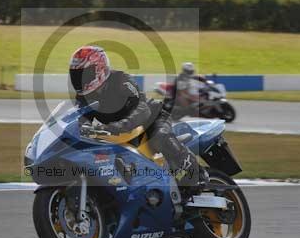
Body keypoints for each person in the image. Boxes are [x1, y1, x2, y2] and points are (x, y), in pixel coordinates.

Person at [69, 46, 207, 194]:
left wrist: (120, 125)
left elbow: (143, 109)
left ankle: (195, 171)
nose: (80, 80)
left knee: (158, 137)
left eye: (84, 74)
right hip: (120, 133)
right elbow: (78, 117)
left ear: (99, 69)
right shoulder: (83, 96)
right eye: (76, 75)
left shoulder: (121, 80)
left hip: (151, 119)